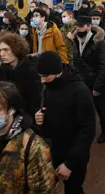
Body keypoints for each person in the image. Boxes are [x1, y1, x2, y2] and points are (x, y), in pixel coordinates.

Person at [34, 51, 95, 194]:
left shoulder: (79, 91)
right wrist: (40, 118)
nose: (42, 80)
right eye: (40, 76)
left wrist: (70, 164)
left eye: (45, 76)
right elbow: (48, 111)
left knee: (73, 189)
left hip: (73, 156)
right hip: (53, 151)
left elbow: (87, 130)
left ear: (57, 72)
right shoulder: (48, 86)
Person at [73, 16, 105, 144]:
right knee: (84, 110)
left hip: (97, 82)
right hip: (82, 82)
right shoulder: (76, 40)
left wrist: (97, 87)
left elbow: (104, 65)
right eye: (77, 26)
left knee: (102, 110)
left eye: (82, 26)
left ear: (89, 27)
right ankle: (86, 133)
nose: (79, 29)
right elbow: (76, 62)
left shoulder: (99, 41)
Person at [0, 33, 43, 117]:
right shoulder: (3, 69)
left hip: (27, 117)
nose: (1, 54)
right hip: (8, 115)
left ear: (16, 49)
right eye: (0, 50)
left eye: (6, 50)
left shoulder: (30, 70)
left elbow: (35, 100)